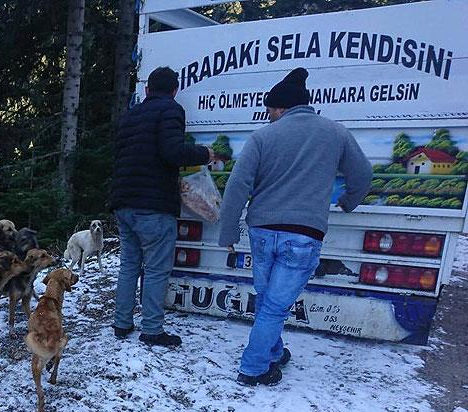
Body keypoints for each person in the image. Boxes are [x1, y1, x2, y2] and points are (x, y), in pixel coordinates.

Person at [218, 67, 372, 385]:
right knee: (273, 305)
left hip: (262, 231)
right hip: (303, 234)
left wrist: (228, 232)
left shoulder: (262, 137)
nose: (269, 116)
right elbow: (363, 174)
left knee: (268, 301)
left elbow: (237, 186)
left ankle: (266, 356)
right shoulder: (336, 133)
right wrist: (348, 201)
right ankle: (255, 366)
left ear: (281, 108)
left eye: (270, 110)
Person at [109, 66, 214, 347]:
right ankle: (152, 329)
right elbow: (172, 151)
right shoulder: (171, 110)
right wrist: (205, 154)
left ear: (147, 90)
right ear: (174, 90)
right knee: (156, 268)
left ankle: (122, 323)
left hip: (123, 201)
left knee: (129, 265)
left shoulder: (130, 116)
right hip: (153, 204)